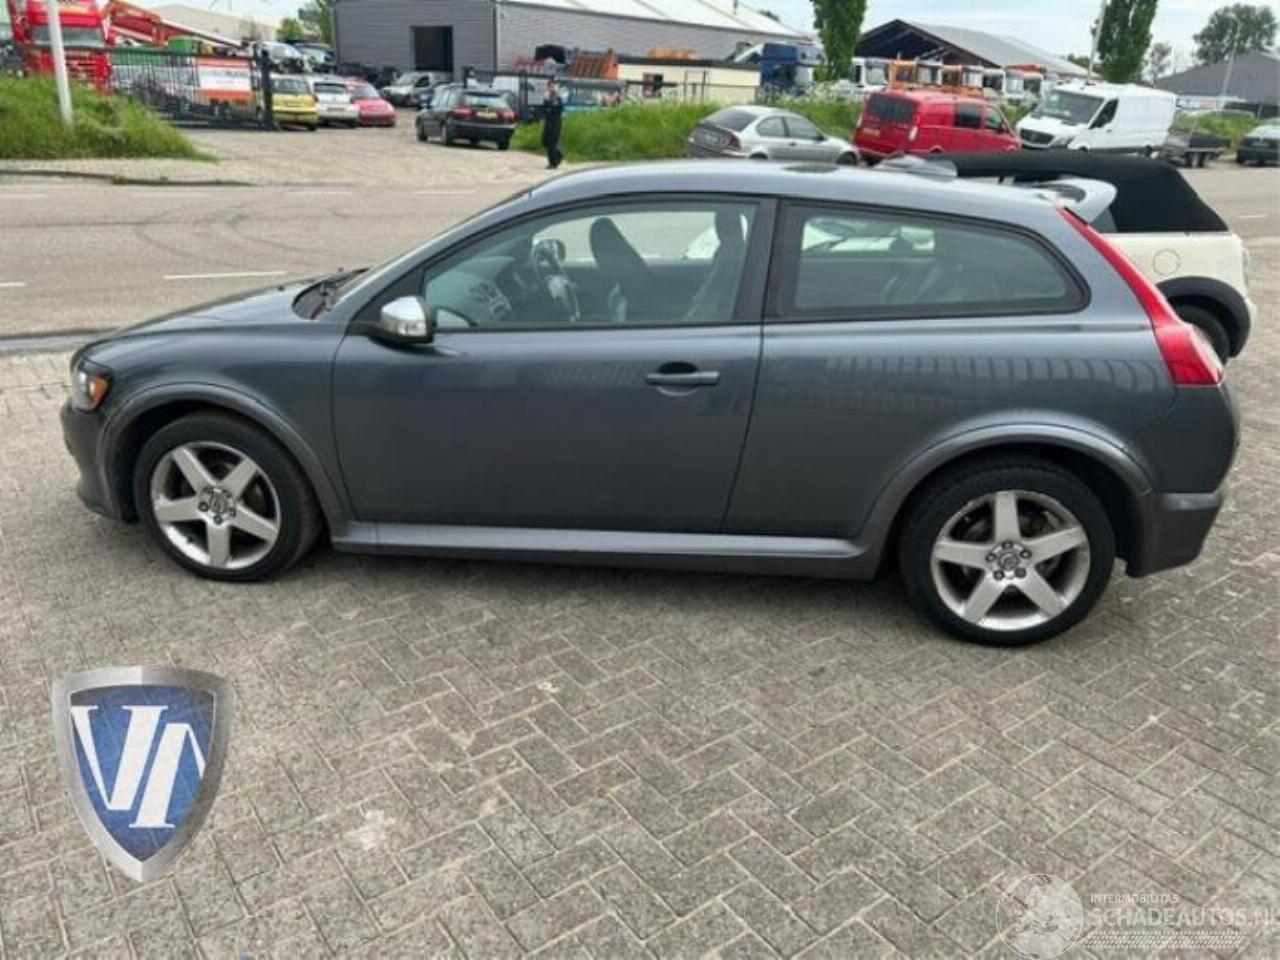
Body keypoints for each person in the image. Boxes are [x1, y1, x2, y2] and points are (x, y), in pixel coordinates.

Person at [540, 81, 565, 170]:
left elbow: (559, 108)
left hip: (555, 123)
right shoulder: (547, 97)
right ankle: (559, 155)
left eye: (552, 86)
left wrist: (551, 108)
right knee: (545, 141)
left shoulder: (557, 97)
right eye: (549, 87)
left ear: (555, 88)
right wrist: (548, 108)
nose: (550, 88)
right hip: (548, 122)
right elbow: (544, 109)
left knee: (552, 143)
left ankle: (552, 163)